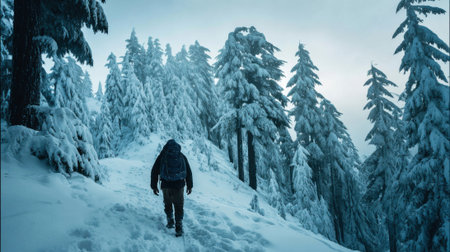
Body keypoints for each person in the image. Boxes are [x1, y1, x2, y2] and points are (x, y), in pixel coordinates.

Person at [151, 139, 193, 237]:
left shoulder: (163, 156)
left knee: (168, 203)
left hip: (166, 185)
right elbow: (189, 172)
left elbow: (154, 171)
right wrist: (189, 186)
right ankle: (178, 226)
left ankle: (170, 221)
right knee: (179, 206)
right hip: (179, 186)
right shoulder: (181, 156)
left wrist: (154, 186)